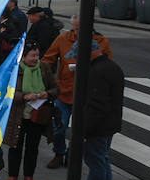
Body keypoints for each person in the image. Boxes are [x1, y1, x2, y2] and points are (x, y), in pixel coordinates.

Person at [42, 15, 111, 170]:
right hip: (64, 91)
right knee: (58, 128)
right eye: (76, 28)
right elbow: (48, 59)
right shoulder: (63, 39)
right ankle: (58, 153)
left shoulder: (101, 41)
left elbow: (107, 64)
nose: (78, 31)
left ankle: (71, 154)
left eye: (81, 28)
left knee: (80, 130)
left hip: (86, 94)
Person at [2, 42, 55, 180]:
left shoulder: (44, 68)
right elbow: (8, 91)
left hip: (36, 116)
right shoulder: (15, 70)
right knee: (15, 147)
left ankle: (28, 178)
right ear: (23, 57)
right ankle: (12, 177)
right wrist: (24, 97)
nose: (35, 59)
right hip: (18, 115)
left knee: (32, 148)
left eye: (37, 55)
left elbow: (55, 88)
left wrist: (48, 94)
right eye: (32, 55)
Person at [81, 41, 124, 180]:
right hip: (110, 123)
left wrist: (85, 130)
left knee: (95, 160)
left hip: (98, 126)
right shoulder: (112, 67)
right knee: (103, 158)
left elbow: (96, 105)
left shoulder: (96, 72)